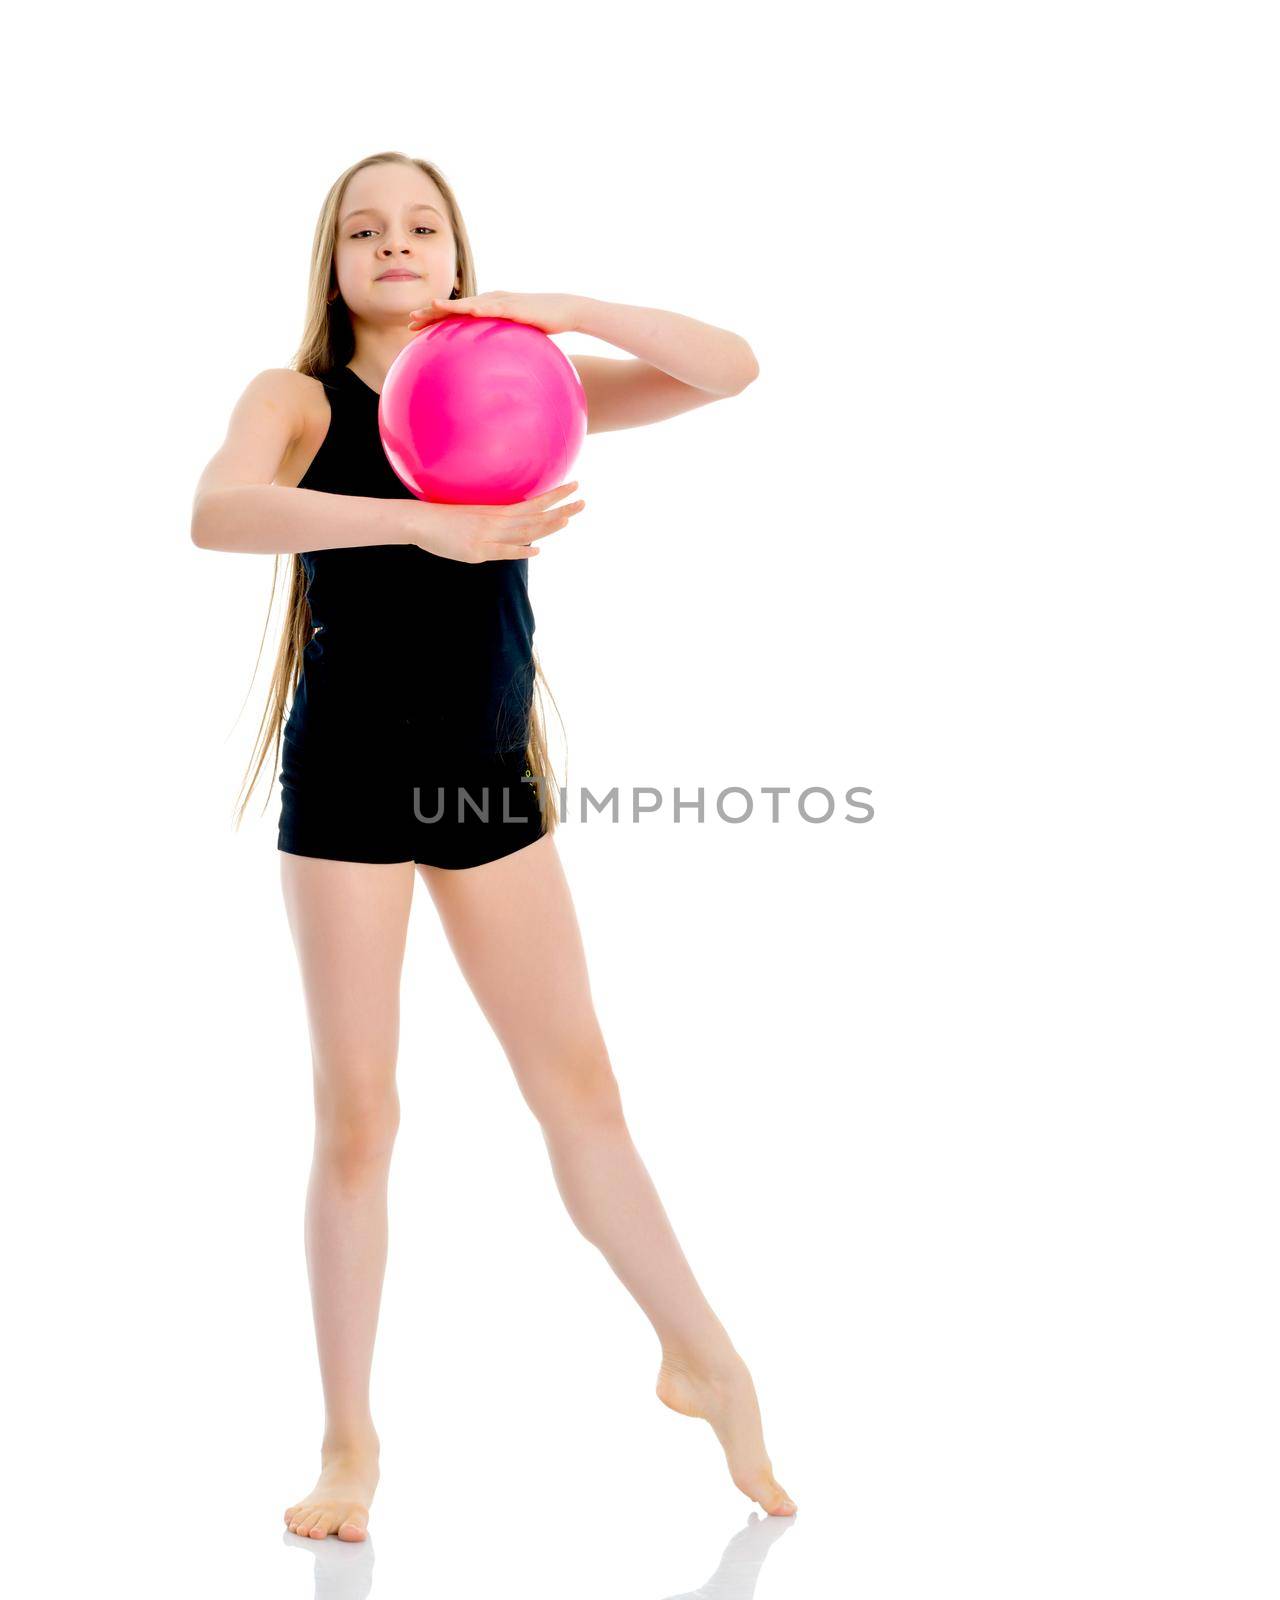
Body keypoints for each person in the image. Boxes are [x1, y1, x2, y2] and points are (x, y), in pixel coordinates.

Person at [191, 150, 795, 1542]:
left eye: (423, 228)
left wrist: (562, 306)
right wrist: (428, 527)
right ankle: (349, 1449)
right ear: (331, 260)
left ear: (458, 252)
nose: (394, 245)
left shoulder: (523, 382)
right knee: (359, 1117)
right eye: (365, 229)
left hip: (481, 784)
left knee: (580, 1090)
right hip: (344, 787)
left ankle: (706, 1359)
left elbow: (732, 369)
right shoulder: (297, 397)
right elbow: (220, 513)